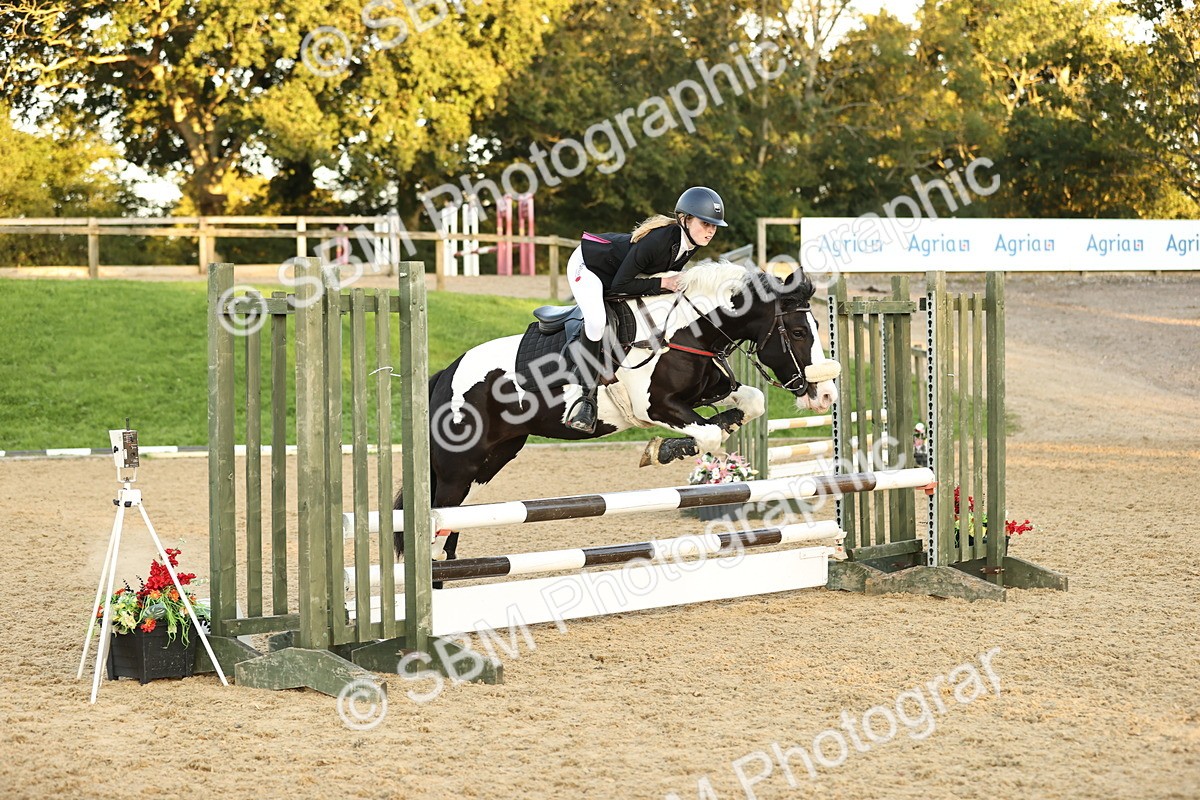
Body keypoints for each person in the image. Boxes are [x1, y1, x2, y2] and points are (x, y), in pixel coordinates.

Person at [563, 186, 728, 433]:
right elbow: (620, 286)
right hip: (588, 266)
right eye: (706, 224)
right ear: (685, 219)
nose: (711, 231)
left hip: (616, 275)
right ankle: (585, 398)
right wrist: (664, 283)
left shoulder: (690, 242)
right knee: (596, 320)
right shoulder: (658, 241)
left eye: (714, 226)